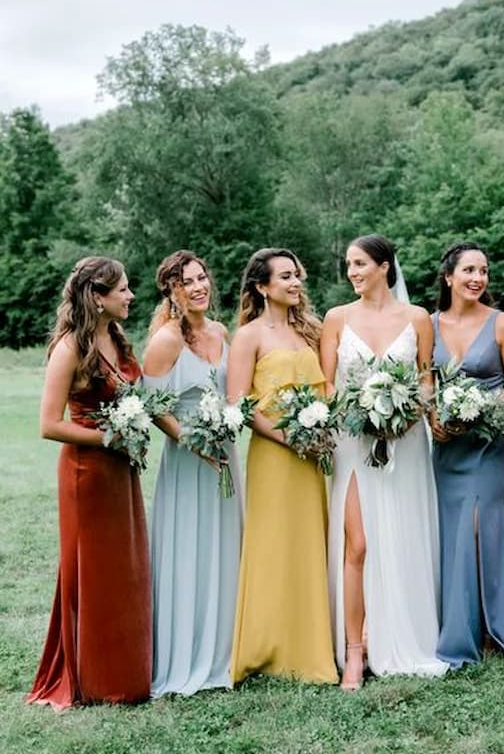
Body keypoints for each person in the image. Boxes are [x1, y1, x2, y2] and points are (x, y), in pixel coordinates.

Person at [321, 234, 447, 689]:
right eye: (349, 265)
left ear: (384, 266)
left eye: (359, 264)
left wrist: (404, 415)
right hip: (353, 442)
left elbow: (425, 379)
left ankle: (400, 634)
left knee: (401, 537)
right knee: (357, 545)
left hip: (405, 442)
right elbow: (327, 386)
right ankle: (355, 651)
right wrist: (359, 413)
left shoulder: (417, 319)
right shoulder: (336, 318)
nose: (352, 272)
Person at [27, 257, 151, 708]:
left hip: (122, 469)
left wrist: (130, 434)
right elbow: (48, 424)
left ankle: (128, 668)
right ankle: (96, 678)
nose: (130, 296)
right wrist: (108, 437)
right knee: (93, 571)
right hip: (87, 473)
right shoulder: (69, 349)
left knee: (126, 569)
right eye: (122, 289)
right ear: (97, 297)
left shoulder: (117, 338)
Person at [228, 248, 337, 685]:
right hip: (274, 454)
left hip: (311, 455)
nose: (296, 283)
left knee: (309, 542)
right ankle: (267, 646)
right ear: (261, 286)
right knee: (273, 544)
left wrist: (318, 433)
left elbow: (327, 388)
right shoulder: (249, 337)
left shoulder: (310, 331)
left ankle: (310, 646)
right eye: (286, 276)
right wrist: (288, 437)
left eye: (298, 276)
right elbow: (239, 403)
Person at [143, 250, 243, 698]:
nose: (199, 286)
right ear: (171, 290)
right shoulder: (166, 340)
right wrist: (193, 442)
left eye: (203, 278)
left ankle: (226, 650)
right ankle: (187, 655)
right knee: (190, 550)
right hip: (189, 462)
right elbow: (154, 408)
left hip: (224, 457)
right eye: (188, 281)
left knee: (225, 547)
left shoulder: (221, 332)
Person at [430, 242, 504, 667]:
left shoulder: (503, 324)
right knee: (453, 528)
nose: (477, 278)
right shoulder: (426, 325)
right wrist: (434, 418)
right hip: (448, 444)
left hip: (489, 443)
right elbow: (423, 383)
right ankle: (458, 625)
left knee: (483, 522)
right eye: (468, 270)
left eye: (483, 271)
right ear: (448, 276)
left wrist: (491, 411)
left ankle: (496, 627)